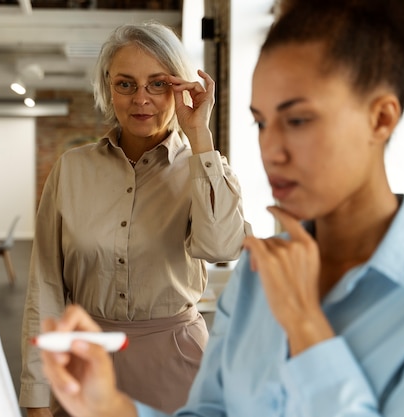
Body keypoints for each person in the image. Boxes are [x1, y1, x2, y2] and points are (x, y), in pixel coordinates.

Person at [37, 0, 404, 416]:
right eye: (260, 122)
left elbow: (219, 243)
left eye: (297, 120)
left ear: (381, 119)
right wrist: (111, 408)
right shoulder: (258, 277)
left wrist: (305, 327)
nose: (270, 150)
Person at [19, 21, 251, 417]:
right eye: (126, 84)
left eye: (158, 84)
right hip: (85, 362)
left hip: (177, 364)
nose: (141, 98)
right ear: (109, 87)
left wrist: (199, 137)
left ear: (180, 87)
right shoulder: (70, 170)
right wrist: (36, 391)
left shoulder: (207, 170)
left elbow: (222, 249)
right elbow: (45, 286)